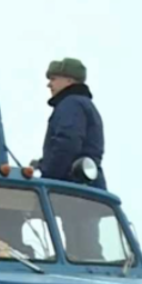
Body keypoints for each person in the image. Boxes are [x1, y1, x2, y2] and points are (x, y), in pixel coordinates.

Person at [36, 57, 106, 189]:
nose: (49, 84)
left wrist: (48, 178)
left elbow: (67, 142)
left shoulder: (71, 104)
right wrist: (42, 164)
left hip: (71, 189)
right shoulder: (86, 105)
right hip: (89, 188)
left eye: (53, 79)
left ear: (69, 80)